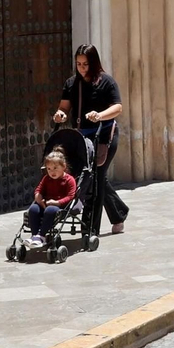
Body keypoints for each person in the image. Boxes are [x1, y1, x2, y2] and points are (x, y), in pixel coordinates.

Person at [55, 45, 131, 235]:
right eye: (78, 64)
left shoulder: (107, 82)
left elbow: (118, 107)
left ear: (94, 63)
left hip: (104, 135)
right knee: (95, 176)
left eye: (85, 64)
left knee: (95, 177)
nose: (82, 68)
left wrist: (100, 115)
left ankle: (89, 229)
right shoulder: (71, 84)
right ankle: (119, 213)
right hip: (81, 137)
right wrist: (60, 115)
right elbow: (63, 107)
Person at [25, 149, 77, 249]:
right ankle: (34, 235)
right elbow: (39, 189)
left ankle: (42, 235)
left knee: (50, 210)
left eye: (55, 168)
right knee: (33, 209)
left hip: (60, 206)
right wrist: (38, 196)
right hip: (45, 203)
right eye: (49, 169)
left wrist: (57, 202)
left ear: (63, 167)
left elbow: (70, 196)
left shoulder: (69, 180)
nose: (52, 172)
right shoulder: (46, 178)